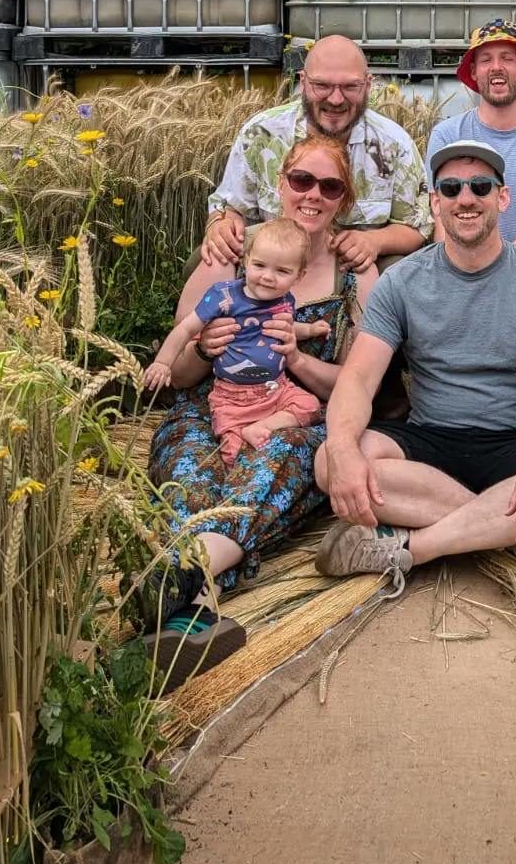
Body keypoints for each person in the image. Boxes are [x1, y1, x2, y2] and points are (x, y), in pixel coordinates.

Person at [311, 140, 516, 587]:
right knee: (328, 460)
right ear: (435, 203)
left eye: (480, 186)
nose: (466, 198)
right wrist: (341, 446)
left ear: (503, 197)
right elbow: (358, 378)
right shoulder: (401, 282)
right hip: (430, 443)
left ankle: (414, 548)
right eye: (451, 189)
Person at [142, 136, 377, 689]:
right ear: (280, 185)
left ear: (344, 200)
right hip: (213, 408)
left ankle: (173, 581)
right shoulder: (227, 256)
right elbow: (180, 375)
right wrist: (205, 350)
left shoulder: (357, 274)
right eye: (301, 180)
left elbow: (357, 384)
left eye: (330, 186)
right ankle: (196, 601)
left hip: (296, 417)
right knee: (191, 470)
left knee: (278, 462)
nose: (313, 194)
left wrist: (296, 358)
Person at [195, 35, 430, 304]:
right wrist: (222, 223)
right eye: (322, 85)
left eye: (349, 86)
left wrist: (375, 241)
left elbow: (417, 227)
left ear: (367, 85)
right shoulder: (262, 133)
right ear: (303, 82)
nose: (336, 99)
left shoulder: (394, 144)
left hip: (356, 265)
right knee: (211, 256)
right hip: (274, 263)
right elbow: (229, 205)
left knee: (399, 269)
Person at [144, 217, 321, 465]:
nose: (268, 277)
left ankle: (264, 426)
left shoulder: (285, 300)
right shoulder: (224, 297)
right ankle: (244, 447)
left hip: (276, 389)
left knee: (310, 405)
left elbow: (286, 328)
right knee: (232, 453)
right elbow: (186, 328)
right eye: (259, 265)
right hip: (231, 397)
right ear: (246, 260)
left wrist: (310, 329)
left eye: (282, 271)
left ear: (299, 276)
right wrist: (163, 362)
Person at [426, 20, 516, 265]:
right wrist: (462, 277)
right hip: (459, 274)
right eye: (486, 60)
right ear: (474, 72)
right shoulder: (446, 136)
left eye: (507, 58)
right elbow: (444, 230)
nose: (496, 67)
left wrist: (488, 276)